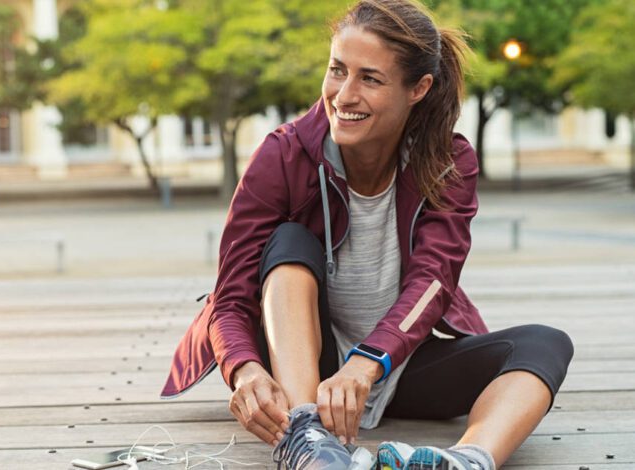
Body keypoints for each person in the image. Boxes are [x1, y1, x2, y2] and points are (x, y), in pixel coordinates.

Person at [162, 0, 574, 469]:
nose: (343, 95)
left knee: (545, 343)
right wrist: (244, 369)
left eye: (370, 79)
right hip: (308, 375)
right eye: (338, 70)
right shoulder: (283, 155)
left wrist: (368, 361)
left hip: (397, 366)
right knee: (290, 241)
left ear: (418, 88)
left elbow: (433, 282)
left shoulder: (448, 162)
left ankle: (467, 461)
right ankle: (307, 436)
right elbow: (231, 297)